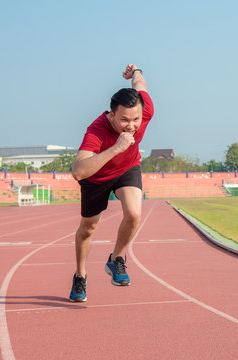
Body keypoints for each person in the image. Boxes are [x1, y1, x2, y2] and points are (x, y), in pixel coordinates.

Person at [69, 63, 154, 302]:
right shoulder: (96, 130)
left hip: (127, 168)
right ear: (111, 114)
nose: (132, 125)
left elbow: (140, 84)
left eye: (136, 119)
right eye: (125, 120)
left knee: (134, 214)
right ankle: (80, 275)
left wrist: (136, 70)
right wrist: (116, 148)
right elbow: (78, 171)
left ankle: (116, 258)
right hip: (96, 177)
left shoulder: (145, 111)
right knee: (88, 229)